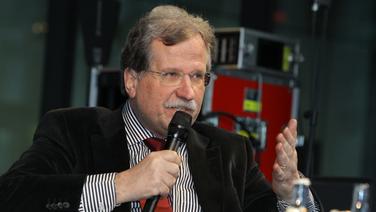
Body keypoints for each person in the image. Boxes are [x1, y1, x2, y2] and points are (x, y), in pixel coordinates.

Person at [0, 5, 320, 212]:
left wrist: (291, 194)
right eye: (170, 75)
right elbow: (12, 196)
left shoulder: (228, 151)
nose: (187, 92)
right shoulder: (73, 131)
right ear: (131, 80)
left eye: (197, 76)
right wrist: (122, 185)